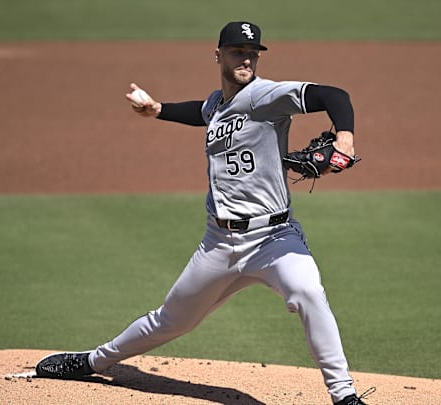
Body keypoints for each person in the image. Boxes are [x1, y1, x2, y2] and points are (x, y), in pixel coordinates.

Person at [35, 21, 371, 405]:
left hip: (274, 239)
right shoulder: (218, 102)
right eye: (236, 51)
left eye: (252, 53)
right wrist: (158, 110)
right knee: (171, 320)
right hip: (219, 243)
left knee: (307, 291)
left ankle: (345, 397)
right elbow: (203, 111)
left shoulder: (267, 96)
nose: (246, 58)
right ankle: (93, 361)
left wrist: (344, 135)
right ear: (219, 55)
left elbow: (334, 94)